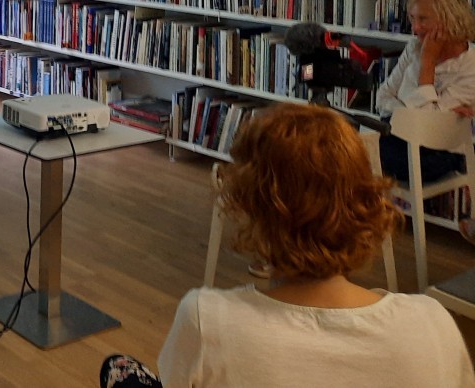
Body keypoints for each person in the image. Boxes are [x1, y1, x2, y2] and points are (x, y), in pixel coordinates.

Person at [101, 104, 475, 388]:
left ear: (251, 209)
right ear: (366, 202)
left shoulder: (206, 319)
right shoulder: (432, 323)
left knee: (118, 370)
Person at [376, 0, 475, 182]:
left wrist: (427, 63)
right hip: (398, 136)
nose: (415, 29)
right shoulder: (413, 47)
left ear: (449, 20)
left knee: (361, 155)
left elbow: (428, 131)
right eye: (412, 19)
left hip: (439, 150)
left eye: (422, 19)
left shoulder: (470, 65)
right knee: (346, 143)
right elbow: (382, 97)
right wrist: (414, 114)